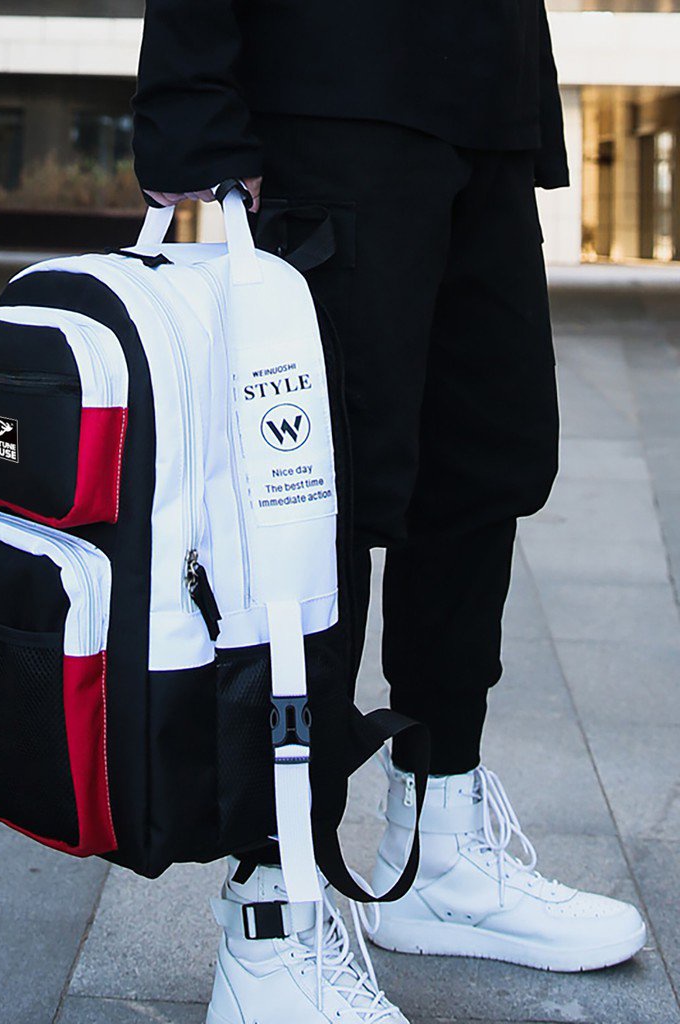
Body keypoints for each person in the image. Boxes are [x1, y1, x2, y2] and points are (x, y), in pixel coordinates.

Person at [131, 3, 648, 1022]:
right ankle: (271, 914)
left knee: (481, 471)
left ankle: (439, 848)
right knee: (313, 503)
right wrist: (190, 103)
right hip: (333, 94)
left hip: (486, 107)